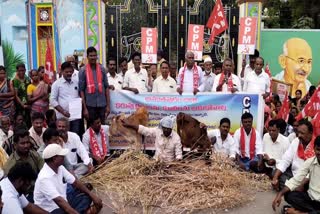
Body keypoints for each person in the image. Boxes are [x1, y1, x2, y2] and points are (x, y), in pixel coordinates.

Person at [34, 144, 103, 213]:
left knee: (87, 195)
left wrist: (92, 196)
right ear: (54, 159)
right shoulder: (44, 178)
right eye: (61, 156)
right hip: (51, 210)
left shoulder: (60, 167)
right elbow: (59, 201)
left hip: (64, 201)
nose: (64, 157)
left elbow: (75, 182)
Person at [272, 136, 320, 214]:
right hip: (311, 199)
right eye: (318, 149)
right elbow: (295, 180)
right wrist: (280, 194)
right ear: (314, 149)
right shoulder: (310, 162)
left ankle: (299, 212)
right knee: (289, 195)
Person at [272, 119, 315, 191]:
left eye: (302, 133)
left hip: (308, 179)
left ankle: (290, 189)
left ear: (310, 133)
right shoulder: (296, 141)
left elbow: (313, 171)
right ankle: (292, 189)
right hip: (294, 175)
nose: (299, 135)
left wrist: (302, 184)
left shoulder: (317, 146)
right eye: (298, 133)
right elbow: (285, 160)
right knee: (275, 173)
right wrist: (275, 178)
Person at [3, 127, 44, 201]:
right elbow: (10, 188)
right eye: (22, 143)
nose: (26, 146)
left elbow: (44, 171)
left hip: (39, 189)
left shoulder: (34, 154)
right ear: (15, 145)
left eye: (27, 142)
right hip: (23, 196)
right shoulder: (10, 164)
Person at [79, 46, 110, 123]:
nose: (93, 58)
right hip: (90, 106)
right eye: (91, 56)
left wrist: (108, 106)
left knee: (102, 127)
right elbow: (81, 90)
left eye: (94, 55)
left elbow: (106, 87)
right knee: (91, 128)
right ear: (87, 57)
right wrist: (85, 108)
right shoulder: (83, 71)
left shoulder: (102, 69)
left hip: (102, 104)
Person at [51, 62, 82, 135]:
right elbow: (52, 100)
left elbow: (80, 95)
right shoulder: (56, 84)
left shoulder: (76, 82)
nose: (69, 73)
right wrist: (63, 112)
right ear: (61, 71)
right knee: (62, 136)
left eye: (70, 72)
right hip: (62, 118)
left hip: (75, 117)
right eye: (66, 72)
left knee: (75, 135)